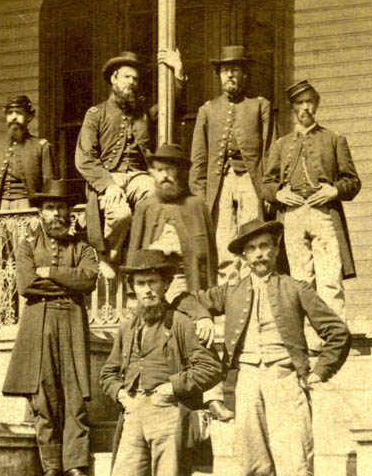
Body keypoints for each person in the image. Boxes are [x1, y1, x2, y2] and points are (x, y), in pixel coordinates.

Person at [174, 218, 350, 476]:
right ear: (243, 256)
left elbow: (338, 332)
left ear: (276, 249)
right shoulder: (233, 291)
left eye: (266, 246)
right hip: (246, 380)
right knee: (253, 464)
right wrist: (205, 318)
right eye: (252, 249)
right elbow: (185, 299)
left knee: (294, 461)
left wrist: (318, 372)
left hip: (285, 378)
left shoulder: (294, 288)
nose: (260, 254)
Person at [73, 249, 224, 476]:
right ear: (133, 289)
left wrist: (173, 386)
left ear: (166, 284)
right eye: (140, 284)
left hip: (169, 414)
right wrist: (121, 396)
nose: (147, 290)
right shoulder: (127, 327)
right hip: (133, 416)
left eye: (153, 282)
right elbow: (108, 373)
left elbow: (211, 368)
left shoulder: (183, 324)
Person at [2, 179, 99, 476]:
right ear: (40, 213)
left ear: (70, 212)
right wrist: (63, 281)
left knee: (74, 394)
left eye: (61, 208)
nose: (56, 214)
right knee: (43, 397)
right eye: (50, 208)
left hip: (71, 320)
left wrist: (52, 273)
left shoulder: (82, 248)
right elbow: (26, 284)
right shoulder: (27, 246)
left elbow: (88, 280)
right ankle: (52, 466)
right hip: (38, 324)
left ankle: (75, 465)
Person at [75, 49, 185, 278]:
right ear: (114, 78)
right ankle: (110, 255)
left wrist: (178, 73)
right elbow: (84, 158)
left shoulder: (143, 113)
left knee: (154, 194)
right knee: (121, 214)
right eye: (127, 77)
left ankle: (147, 254)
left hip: (137, 175)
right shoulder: (95, 114)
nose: (132, 83)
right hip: (108, 177)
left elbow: (171, 109)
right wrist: (108, 184)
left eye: (135, 79)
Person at [264, 80, 361, 320]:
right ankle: (306, 338)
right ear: (293, 108)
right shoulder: (281, 145)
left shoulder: (334, 139)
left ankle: (335, 337)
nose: (305, 107)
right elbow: (266, 183)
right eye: (299, 103)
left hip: (324, 213)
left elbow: (353, 181)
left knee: (330, 279)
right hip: (293, 215)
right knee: (300, 280)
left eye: (309, 102)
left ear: (316, 105)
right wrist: (278, 194)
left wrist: (334, 191)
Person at [190, 45, 274, 285]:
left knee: (252, 236)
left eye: (235, 69)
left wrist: (268, 188)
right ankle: (231, 297)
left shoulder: (260, 106)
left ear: (244, 75)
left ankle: (256, 290)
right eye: (225, 70)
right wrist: (201, 195)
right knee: (224, 238)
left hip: (250, 180)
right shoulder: (207, 110)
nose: (230, 75)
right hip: (220, 182)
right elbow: (199, 158)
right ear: (219, 74)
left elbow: (269, 151)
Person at [128, 143, 217, 301]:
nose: (164, 175)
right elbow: (134, 250)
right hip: (153, 283)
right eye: (160, 170)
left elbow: (209, 254)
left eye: (169, 169)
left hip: (187, 279)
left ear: (181, 172)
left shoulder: (196, 205)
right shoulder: (145, 207)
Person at [0, 95, 56, 211]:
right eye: (10, 113)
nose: (13, 117)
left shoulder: (41, 147)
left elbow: (50, 187)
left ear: (30, 116)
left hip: (28, 207)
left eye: (19, 113)